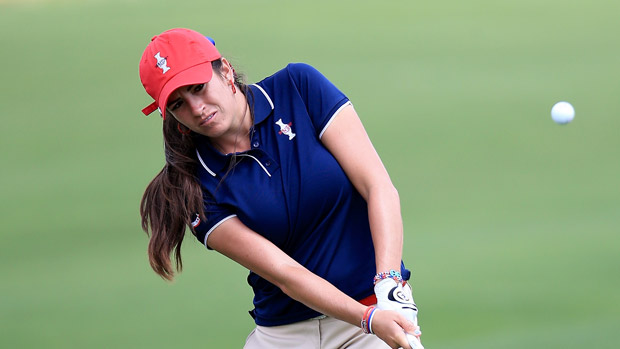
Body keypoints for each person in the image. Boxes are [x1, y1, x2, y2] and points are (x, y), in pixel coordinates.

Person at [138, 28, 423, 349]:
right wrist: (367, 318)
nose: (197, 107)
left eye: (198, 88)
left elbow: (377, 186)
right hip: (285, 336)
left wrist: (389, 288)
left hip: (376, 307)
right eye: (179, 103)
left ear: (226, 70)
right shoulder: (191, 184)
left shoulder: (298, 88)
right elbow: (284, 273)